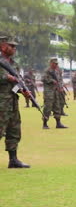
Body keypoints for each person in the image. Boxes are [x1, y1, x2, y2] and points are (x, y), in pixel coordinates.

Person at [0, 37, 31, 168]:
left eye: (15, 47)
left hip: (12, 102)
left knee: (14, 130)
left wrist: (22, 91)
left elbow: (15, 85)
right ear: (2, 46)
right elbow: (6, 78)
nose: (14, 49)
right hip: (1, 103)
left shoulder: (14, 64)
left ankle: (13, 160)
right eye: (11, 46)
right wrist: (8, 77)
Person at [42, 58, 68, 129]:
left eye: (56, 64)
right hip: (49, 92)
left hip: (56, 92)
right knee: (48, 108)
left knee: (57, 107)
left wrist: (60, 88)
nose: (56, 65)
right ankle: (45, 123)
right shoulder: (47, 71)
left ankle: (58, 123)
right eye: (54, 63)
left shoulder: (56, 72)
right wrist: (51, 80)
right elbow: (43, 79)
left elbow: (59, 80)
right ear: (50, 63)